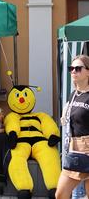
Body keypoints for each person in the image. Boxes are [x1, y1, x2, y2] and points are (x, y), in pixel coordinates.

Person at [56, 55, 89, 199]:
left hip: (88, 146)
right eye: (71, 68)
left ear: (88, 72)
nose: (73, 71)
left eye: (78, 68)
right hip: (74, 150)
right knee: (61, 194)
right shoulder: (73, 95)